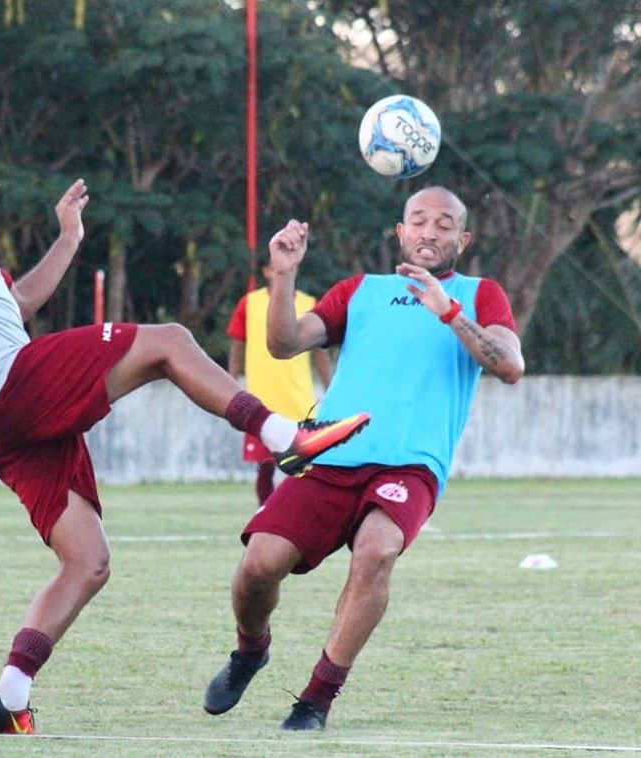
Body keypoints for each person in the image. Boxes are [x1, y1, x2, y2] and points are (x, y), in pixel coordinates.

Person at [0, 130, 371, 736]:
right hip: (10, 389)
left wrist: (69, 238)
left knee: (89, 561)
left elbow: (18, 304)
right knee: (170, 341)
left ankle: (10, 692)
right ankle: (287, 438)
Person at [203, 187, 525, 731]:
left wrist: (448, 312)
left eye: (444, 224)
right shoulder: (360, 291)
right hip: (330, 457)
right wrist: (283, 276)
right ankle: (250, 652)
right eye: (418, 221)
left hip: (410, 466)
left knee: (377, 552)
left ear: (462, 240)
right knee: (257, 568)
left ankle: (315, 701)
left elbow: (510, 365)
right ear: (400, 232)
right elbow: (283, 344)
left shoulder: (479, 293)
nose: (429, 231)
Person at [227, 252, 334, 505]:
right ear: (265, 271)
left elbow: (320, 351)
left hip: (299, 400)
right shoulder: (249, 303)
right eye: (273, 268)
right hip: (261, 400)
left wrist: (331, 387)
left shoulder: (309, 303)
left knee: (303, 465)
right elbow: (237, 345)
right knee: (264, 467)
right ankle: (265, 513)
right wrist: (230, 383)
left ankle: (298, 512)